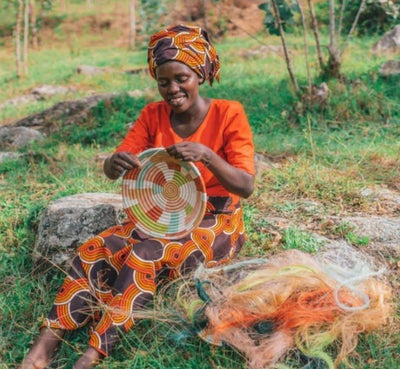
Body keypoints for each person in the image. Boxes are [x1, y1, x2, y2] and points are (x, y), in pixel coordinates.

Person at [19, 24, 255, 369]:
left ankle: (93, 353)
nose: (172, 89)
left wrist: (206, 155)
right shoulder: (152, 115)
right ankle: (44, 347)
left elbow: (245, 186)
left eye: (182, 78)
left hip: (216, 222)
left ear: (201, 73)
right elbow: (115, 165)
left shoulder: (228, 113)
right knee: (95, 249)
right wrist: (114, 163)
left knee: (145, 254)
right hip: (161, 214)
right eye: (163, 81)